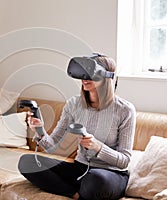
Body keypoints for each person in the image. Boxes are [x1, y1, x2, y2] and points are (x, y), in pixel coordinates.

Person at [17, 54, 136, 200]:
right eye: (83, 72)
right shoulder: (74, 104)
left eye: (91, 72)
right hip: (80, 169)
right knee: (27, 162)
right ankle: (75, 194)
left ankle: (81, 188)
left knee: (94, 180)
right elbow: (52, 145)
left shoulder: (125, 110)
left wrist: (98, 146)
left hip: (110, 174)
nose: (85, 77)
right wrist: (40, 130)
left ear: (106, 77)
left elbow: (124, 160)